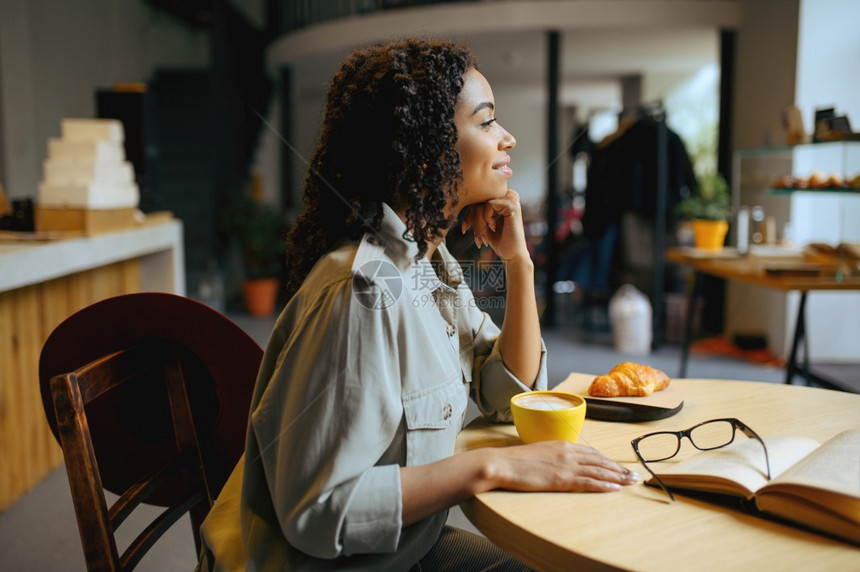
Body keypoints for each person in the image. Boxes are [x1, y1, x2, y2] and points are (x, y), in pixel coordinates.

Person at [200, 38, 638, 571]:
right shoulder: (363, 292)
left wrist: (518, 264)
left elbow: (508, 392)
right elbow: (319, 514)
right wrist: (493, 469)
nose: (508, 137)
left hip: (404, 552)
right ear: (431, 150)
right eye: (485, 122)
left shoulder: (425, 264)